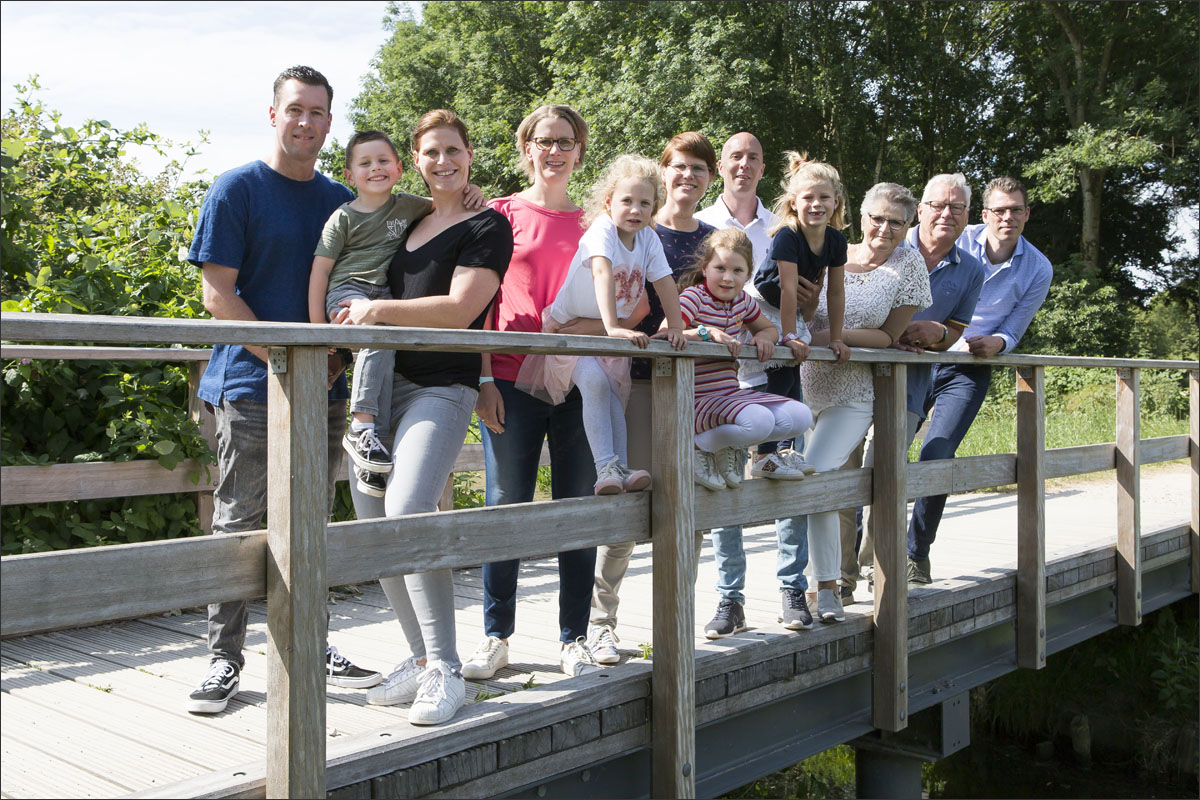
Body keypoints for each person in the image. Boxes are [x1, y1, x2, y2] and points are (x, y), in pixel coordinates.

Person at [185, 66, 380, 715]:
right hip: (248, 382)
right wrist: (283, 359)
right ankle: (223, 658)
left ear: (329, 122)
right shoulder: (237, 189)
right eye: (295, 109)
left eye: (318, 112)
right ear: (274, 114)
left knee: (310, 520)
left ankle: (309, 641)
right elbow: (218, 293)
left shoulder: (338, 201)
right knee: (239, 521)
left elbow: (357, 292)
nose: (306, 122)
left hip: (322, 387)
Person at [335, 109, 512, 726]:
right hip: (382, 388)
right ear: (417, 161)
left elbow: (465, 309)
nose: (444, 162)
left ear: (469, 154)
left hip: (441, 387)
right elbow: (349, 214)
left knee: (408, 508)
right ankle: (416, 658)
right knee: (368, 517)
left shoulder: (488, 225)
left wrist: (378, 310)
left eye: (453, 151)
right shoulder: (406, 217)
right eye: (431, 153)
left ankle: (446, 668)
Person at [468, 106, 646, 682]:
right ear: (526, 148)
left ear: (579, 150)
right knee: (504, 507)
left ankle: (573, 637)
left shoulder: (603, 223)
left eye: (565, 141)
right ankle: (496, 636)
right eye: (543, 141)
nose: (554, 151)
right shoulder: (498, 214)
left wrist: (587, 330)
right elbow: (476, 304)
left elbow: (629, 304)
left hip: (581, 379)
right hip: (510, 376)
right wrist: (483, 379)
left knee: (576, 505)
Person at [587, 132, 716, 664]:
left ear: (711, 180)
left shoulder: (716, 239)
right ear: (664, 172)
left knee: (693, 506)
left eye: (699, 169)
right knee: (629, 501)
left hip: (697, 388)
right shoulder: (631, 226)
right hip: (640, 379)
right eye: (679, 167)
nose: (688, 176)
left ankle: (676, 616)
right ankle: (601, 623)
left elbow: (734, 300)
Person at [695, 134, 825, 639]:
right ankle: (731, 600)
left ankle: (792, 589)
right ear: (721, 166)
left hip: (776, 368)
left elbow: (804, 301)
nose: (743, 165)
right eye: (734, 157)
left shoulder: (784, 228)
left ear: (763, 167)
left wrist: (801, 320)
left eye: (752, 157)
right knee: (730, 475)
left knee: (784, 472)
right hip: (718, 377)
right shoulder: (700, 225)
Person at [904, 176, 1052, 584]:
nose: (1008, 217)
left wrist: (999, 342)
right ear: (983, 215)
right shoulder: (954, 238)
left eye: (1016, 210)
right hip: (915, 357)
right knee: (887, 448)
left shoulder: (1038, 267)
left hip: (967, 368)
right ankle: (867, 553)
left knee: (938, 454)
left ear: (1026, 215)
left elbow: (1015, 329)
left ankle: (915, 554)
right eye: (999, 210)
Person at [799, 182, 931, 623]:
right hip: (798, 386)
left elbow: (889, 337)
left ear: (909, 225)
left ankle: (828, 585)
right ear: (861, 216)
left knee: (816, 475)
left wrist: (827, 338)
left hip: (852, 393)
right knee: (790, 483)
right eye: (877, 218)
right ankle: (793, 586)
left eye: (897, 222)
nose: (885, 228)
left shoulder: (908, 266)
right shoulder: (831, 248)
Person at [516, 154, 687, 493]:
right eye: (627, 201)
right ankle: (605, 468)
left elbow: (665, 281)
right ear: (609, 203)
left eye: (645, 203)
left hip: (603, 329)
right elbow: (602, 272)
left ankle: (620, 468)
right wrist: (612, 326)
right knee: (594, 383)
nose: (635, 210)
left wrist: (677, 325)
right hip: (566, 330)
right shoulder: (602, 229)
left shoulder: (649, 239)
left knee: (611, 392)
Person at [848, 173, 984, 599]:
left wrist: (937, 333)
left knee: (884, 473)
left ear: (966, 217)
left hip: (909, 384)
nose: (946, 214)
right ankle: (837, 576)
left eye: (956, 207)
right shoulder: (886, 239)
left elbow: (956, 333)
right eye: (938, 205)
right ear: (920, 210)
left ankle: (876, 568)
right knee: (843, 472)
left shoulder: (971, 270)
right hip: (850, 377)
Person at [679, 228, 814, 495]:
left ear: (748, 274)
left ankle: (725, 445)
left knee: (800, 416)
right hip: (697, 397)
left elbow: (770, 329)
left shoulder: (743, 301)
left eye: (737, 271)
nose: (728, 278)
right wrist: (706, 332)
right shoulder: (694, 297)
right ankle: (699, 447)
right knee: (759, 421)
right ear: (705, 268)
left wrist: (765, 336)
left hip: (728, 393)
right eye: (720, 268)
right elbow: (665, 333)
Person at [744, 153, 851, 479]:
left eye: (824, 198)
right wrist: (789, 335)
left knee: (792, 381)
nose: (816, 204)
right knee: (779, 375)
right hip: (763, 307)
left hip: (790, 312)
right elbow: (788, 290)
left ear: (836, 202)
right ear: (794, 203)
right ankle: (765, 455)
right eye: (808, 198)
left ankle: (786, 450)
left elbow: (835, 291)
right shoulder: (788, 235)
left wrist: (836, 337)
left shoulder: (836, 240)